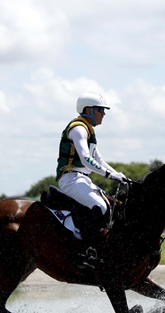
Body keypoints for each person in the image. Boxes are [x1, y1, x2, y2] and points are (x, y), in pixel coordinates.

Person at [56, 92, 130, 269]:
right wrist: (109, 175)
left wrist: (117, 174)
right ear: (88, 110)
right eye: (100, 110)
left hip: (81, 178)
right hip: (69, 178)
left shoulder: (90, 130)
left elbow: (99, 159)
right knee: (100, 207)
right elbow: (86, 158)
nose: (103, 114)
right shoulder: (78, 129)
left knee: (111, 205)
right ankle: (85, 252)